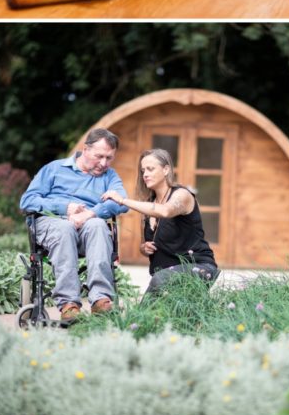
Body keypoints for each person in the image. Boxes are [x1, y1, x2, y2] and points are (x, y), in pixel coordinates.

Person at [18, 128, 131, 320]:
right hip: (52, 224)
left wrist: (89, 214)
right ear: (85, 149)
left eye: (109, 158)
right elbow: (27, 201)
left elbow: (120, 202)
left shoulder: (109, 176)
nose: (104, 163)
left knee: (97, 225)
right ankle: (69, 304)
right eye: (99, 156)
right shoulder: (54, 169)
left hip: (88, 230)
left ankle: (101, 300)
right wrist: (65, 207)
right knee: (65, 227)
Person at [105, 148, 219, 296]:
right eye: (143, 170)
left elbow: (165, 211)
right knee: (153, 315)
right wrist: (144, 248)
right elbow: (144, 244)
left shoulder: (182, 195)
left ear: (166, 169)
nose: (145, 174)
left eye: (150, 169)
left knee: (151, 303)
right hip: (164, 275)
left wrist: (122, 200)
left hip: (197, 267)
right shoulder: (149, 205)